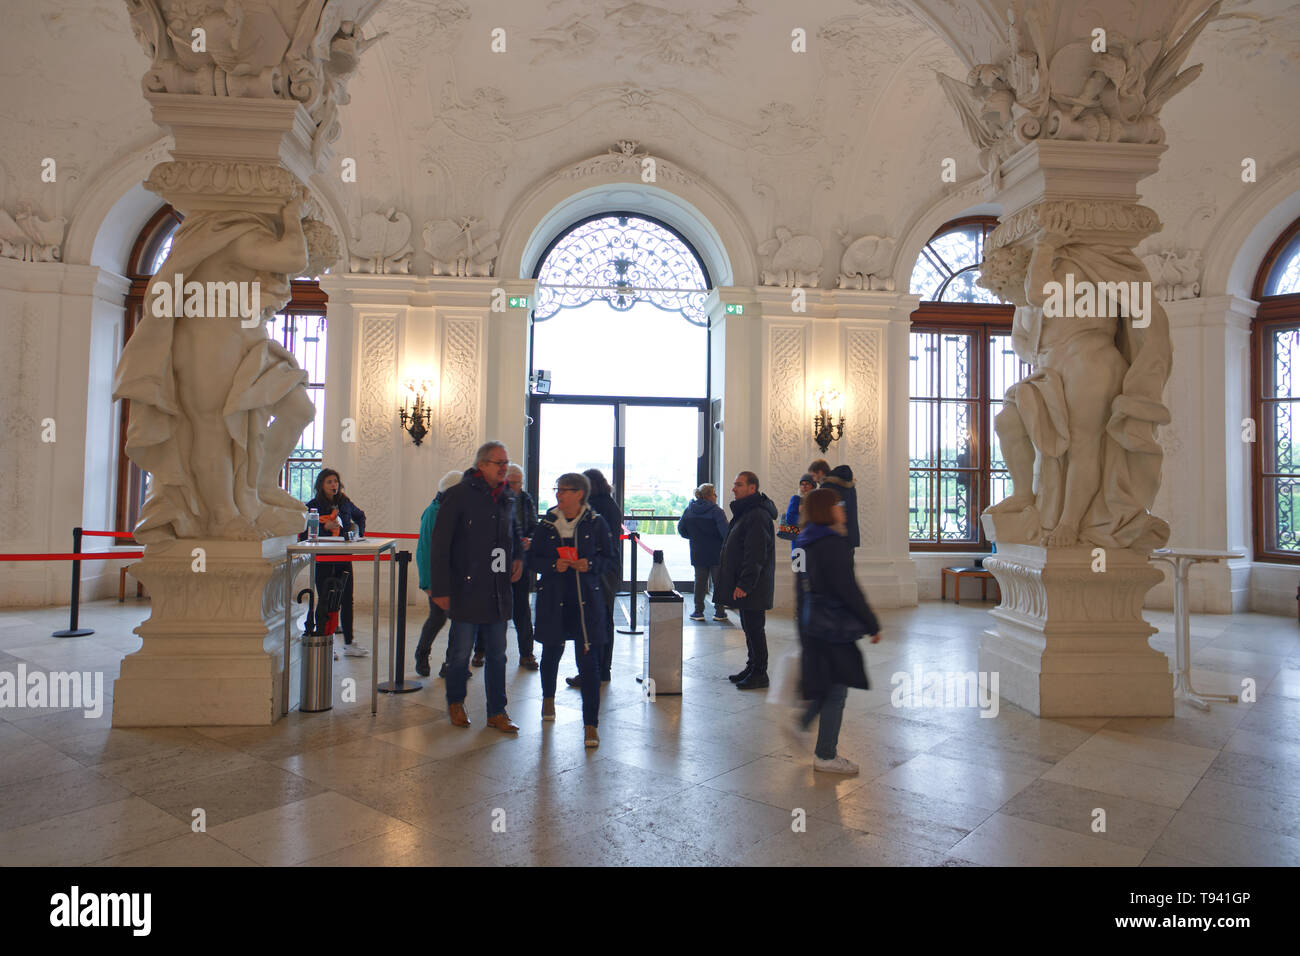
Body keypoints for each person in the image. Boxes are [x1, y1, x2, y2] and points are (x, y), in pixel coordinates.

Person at [429, 441, 524, 732]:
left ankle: (497, 712)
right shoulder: (458, 496)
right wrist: (440, 589)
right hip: (466, 589)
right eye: (499, 463)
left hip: (497, 589)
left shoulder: (507, 497)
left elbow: (513, 530)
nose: (504, 468)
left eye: (506, 463)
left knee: (497, 654)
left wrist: (518, 555)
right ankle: (456, 702)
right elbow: (440, 545)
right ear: (481, 465)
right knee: (460, 653)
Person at [793, 487, 881, 774]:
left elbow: (799, 585)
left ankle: (803, 725)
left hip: (811, 621)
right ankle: (826, 754)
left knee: (826, 681)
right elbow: (848, 589)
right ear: (827, 510)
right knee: (837, 687)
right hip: (833, 625)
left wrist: (801, 622)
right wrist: (871, 623)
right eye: (838, 505)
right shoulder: (834, 544)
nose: (842, 509)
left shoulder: (801, 541)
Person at [530, 472, 615, 748]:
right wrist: (554, 565)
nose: (559, 495)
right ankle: (548, 698)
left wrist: (588, 565)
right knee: (551, 654)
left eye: (564, 490)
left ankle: (591, 724)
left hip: (585, 603)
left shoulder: (595, 523)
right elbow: (533, 560)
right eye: (557, 489)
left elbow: (609, 558)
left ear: (580, 494)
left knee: (589, 664)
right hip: (554, 599)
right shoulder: (546, 524)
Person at [716, 471, 777, 689]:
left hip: (754, 586)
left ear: (752, 488)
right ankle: (752, 666)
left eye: (739, 485)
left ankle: (760, 672)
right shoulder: (746, 512)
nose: (734, 488)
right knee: (749, 626)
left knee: (754, 628)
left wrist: (744, 584)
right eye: (734, 484)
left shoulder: (757, 515)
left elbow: (755, 554)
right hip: (749, 584)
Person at [565, 468, 622, 687]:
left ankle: (594, 671)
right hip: (609, 570)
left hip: (598, 570)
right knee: (605, 618)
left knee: (596, 620)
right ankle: (602, 670)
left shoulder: (596, 507)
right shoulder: (610, 504)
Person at [414, 470, 473, 679]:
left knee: (458, 621)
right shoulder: (434, 512)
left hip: (458, 577)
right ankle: (422, 654)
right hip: (440, 578)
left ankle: (451, 664)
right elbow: (424, 550)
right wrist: (428, 583)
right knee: (438, 619)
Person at [303, 468, 367, 657]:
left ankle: (349, 643)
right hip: (323, 558)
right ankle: (325, 642)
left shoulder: (344, 502)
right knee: (326, 599)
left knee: (347, 599)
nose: (334, 485)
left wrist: (357, 534)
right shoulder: (313, 506)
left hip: (343, 557)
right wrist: (324, 528)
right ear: (321, 485)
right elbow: (303, 532)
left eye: (336, 481)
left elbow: (360, 516)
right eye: (329, 481)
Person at [677, 483, 728, 622]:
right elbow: (725, 533)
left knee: (700, 581)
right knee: (718, 582)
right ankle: (719, 612)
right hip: (716, 552)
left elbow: (681, 529)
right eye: (714, 493)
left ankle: (698, 612)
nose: (716, 496)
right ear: (708, 496)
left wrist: (694, 537)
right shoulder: (716, 511)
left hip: (697, 551)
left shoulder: (689, 510)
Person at [506, 463, 540, 670]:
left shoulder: (526, 500)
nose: (517, 486)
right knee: (492, 607)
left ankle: (526, 653)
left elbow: (534, 526)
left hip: (521, 560)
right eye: (513, 483)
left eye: (519, 482)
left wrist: (530, 539)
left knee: (522, 608)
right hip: (498, 559)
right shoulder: (495, 499)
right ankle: (482, 649)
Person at [821, 464, 860, 552]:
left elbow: (821, 512)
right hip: (850, 536)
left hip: (830, 536)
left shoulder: (827, 486)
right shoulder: (851, 488)